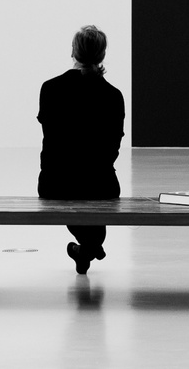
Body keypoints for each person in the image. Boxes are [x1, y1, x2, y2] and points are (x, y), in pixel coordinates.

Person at [37, 25, 125, 275]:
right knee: (95, 222)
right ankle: (90, 247)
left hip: (56, 183)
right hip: (101, 184)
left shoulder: (50, 88)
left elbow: (51, 138)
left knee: (84, 215)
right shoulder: (113, 95)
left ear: (73, 51)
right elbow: (113, 146)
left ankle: (88, 249)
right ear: (102, 54)